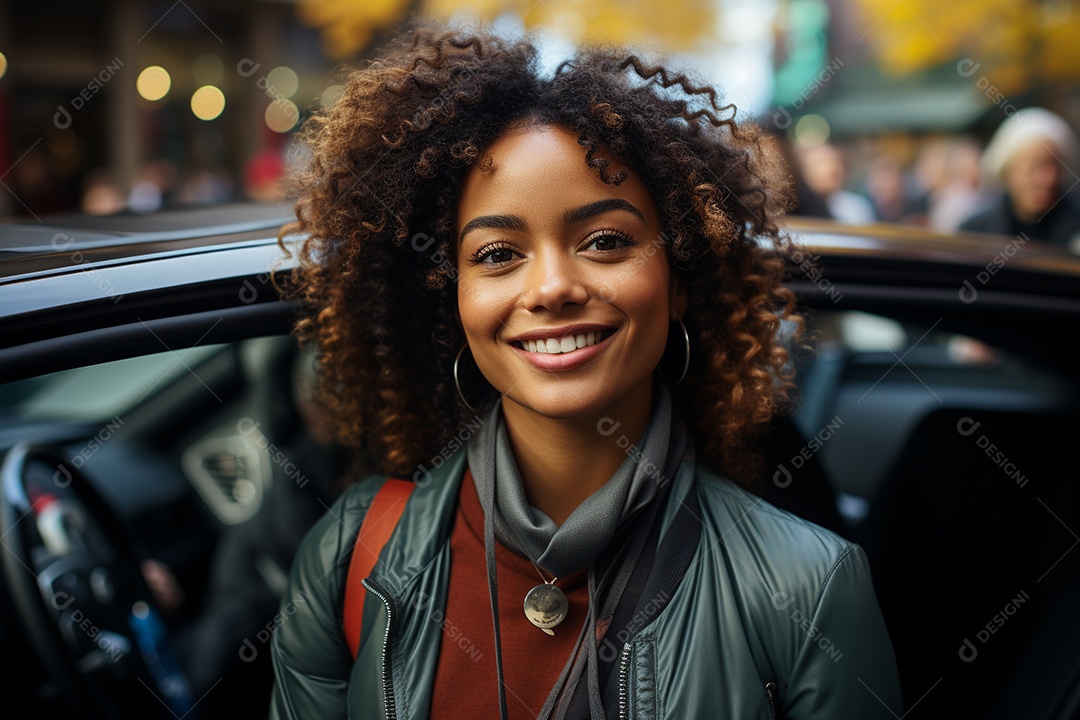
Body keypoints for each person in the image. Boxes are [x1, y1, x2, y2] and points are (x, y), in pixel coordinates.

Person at [269, 23, 901, 720]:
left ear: (679, 278)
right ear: (452, 300)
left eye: (605, 241)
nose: (551, 288)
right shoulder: (348, 560)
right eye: (497, 254)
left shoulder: (810, 589)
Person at [959, 107, 1080, 251]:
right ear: (1006, 171)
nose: (1048, 179)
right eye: (1034, 167)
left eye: (1056, 166)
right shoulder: (974, 232)